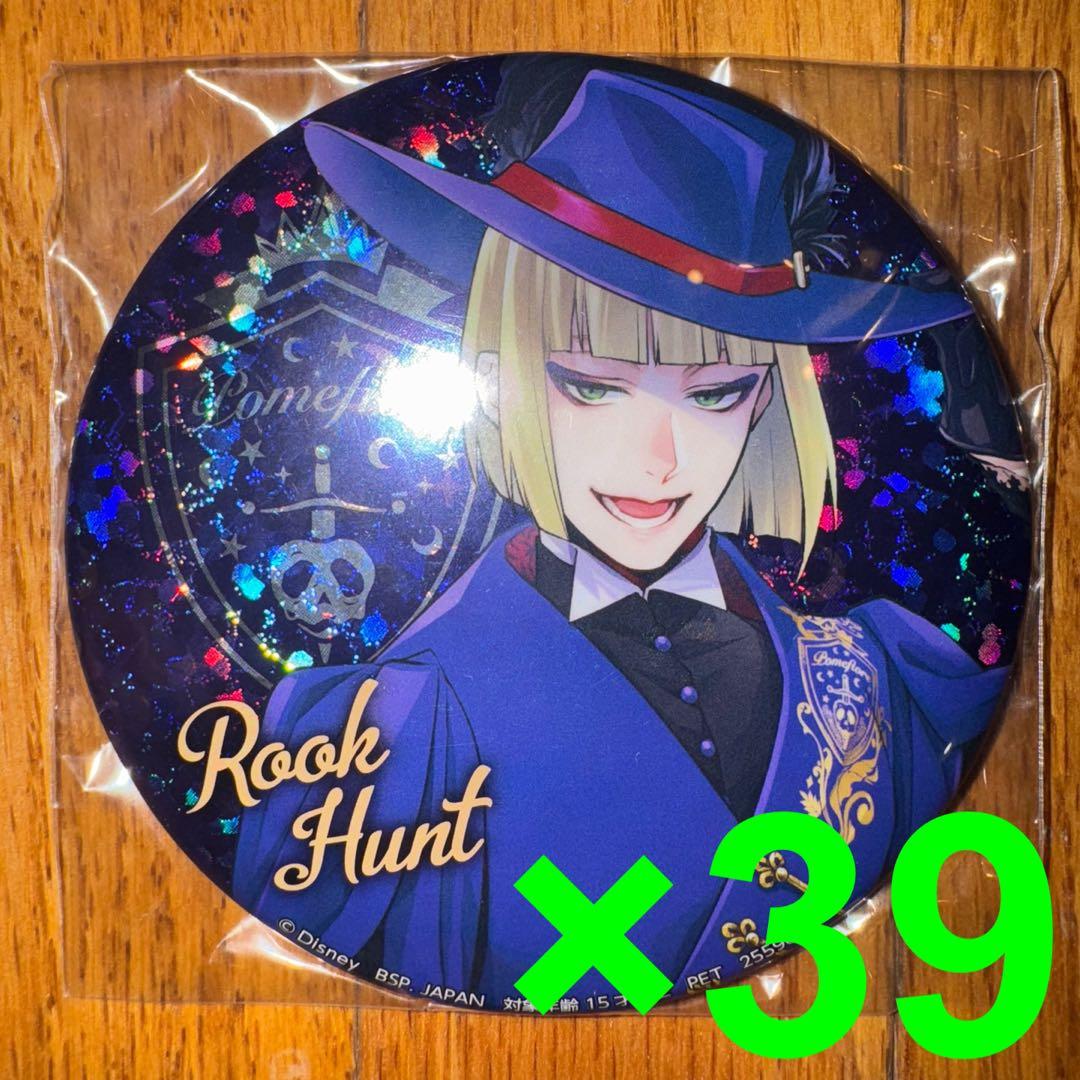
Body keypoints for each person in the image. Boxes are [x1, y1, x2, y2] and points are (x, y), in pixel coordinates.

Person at [233, 60, 1016, 1007]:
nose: (658, 460)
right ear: (495, 378)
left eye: (715, 395)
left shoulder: (872, 678)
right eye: (592, 386)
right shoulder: (393, 726)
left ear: (766, 403)